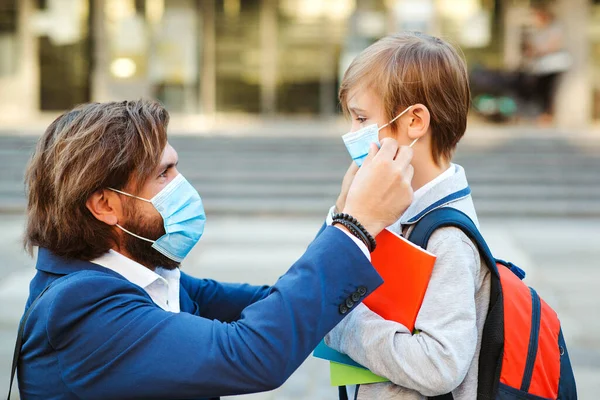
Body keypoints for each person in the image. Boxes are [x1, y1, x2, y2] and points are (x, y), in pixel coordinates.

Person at [15, 99, 416, 399]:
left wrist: (345, 213)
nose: (182, 184)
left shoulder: (141, 274)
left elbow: (277, 307)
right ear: (105, 204)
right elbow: (254, 352)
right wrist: (355, 227)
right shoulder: (83, 307)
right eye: (163, 174)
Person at [324, 32, 489, 399]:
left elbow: (440, 364)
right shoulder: (392, 206)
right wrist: (345, 212)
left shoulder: (447, 236)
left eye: (361, 118)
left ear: (414, 122)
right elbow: (322, 275)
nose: (351, 133)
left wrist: (342, 321)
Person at [525, 3, 569, 125]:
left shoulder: (555, 27)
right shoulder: (539, 30)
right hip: (542, 67)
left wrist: (538, 50)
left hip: (554, 65)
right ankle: (542, 115)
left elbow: (553, 45)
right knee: (540, 90)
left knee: (549, 91)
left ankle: (547, 117)